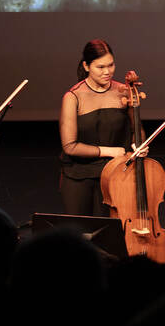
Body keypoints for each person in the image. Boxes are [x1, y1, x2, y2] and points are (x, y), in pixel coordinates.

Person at [58, 39, 137, 217]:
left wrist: (138, 145)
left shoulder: (124, 91)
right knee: (81, 233)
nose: (107, 71)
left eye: (111, 65)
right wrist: (110, 151)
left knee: (110, 234)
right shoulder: (73, 97)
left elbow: (135, 131)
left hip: (115, 174)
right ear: (86, 66)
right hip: (79, 176)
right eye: (100, 67)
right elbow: (69, 146)